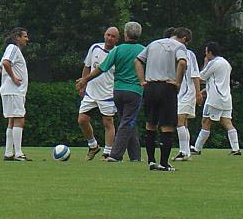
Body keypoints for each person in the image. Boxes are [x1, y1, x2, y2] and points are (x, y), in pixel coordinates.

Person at [79, 21, 145, 163]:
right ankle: (115, 155)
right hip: (134, 91)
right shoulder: (143, 50)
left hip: (117, 91)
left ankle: (135, 156)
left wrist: (85, 79)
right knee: (127, 122)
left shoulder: (118, 50)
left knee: (127, 121)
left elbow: (101, 68)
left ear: (125, 34)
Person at [137, 27, 189, 171]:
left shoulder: (153, 44)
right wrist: (177, 82)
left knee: (150, 124)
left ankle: (151, 161)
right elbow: (182, 62)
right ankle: (164, 163)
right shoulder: (179, 46)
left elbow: (138, 61)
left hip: (150, 86)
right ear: (182, 38)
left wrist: (142, 81)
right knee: (167, 125)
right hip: (167, 86)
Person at [76, 26, 118, 160]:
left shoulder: (117, 53)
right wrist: (83, 84)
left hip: (108, 93)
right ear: (104, 35)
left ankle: (108, 152)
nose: (109, 38)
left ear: (117, 39)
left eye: (113, 36)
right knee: (82, 119)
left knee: (108, 122)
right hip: (91, 92)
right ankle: (93, 145)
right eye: (108, 35)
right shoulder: (95, 48)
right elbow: (87, 66)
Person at [193, 41, 240, 155]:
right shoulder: (226, 63)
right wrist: (205, 91)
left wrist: (205, 63)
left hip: (215, 99)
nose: (205, 55)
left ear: (210, 52)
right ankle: (236, 148)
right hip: (226, 98)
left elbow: (201, 77)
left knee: (206, 121)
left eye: (206, 52)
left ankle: (197, 148)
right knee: (227, 122)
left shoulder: (214, 63)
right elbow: (218, 81)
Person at [0, 28, 30, 161]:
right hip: (14, 91)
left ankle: (8, 152)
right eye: (25, 36)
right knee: (19, 118)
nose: (27, 39)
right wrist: (13, 78)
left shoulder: (13, 50)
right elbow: (5, 63)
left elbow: (0, 67)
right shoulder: (13, 48)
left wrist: (7, 78)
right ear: (17, 37)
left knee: (12, 120)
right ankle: (18, 153)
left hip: (12, 91)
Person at [173, 31, 203, 161]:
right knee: (183, 122)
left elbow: (195, 74)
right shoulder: (173, 53)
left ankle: (183, 151)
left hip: (188, 92)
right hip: (179, 93)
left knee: (180, 120)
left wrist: (198, 93)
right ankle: (186, 152)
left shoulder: (189, 54)